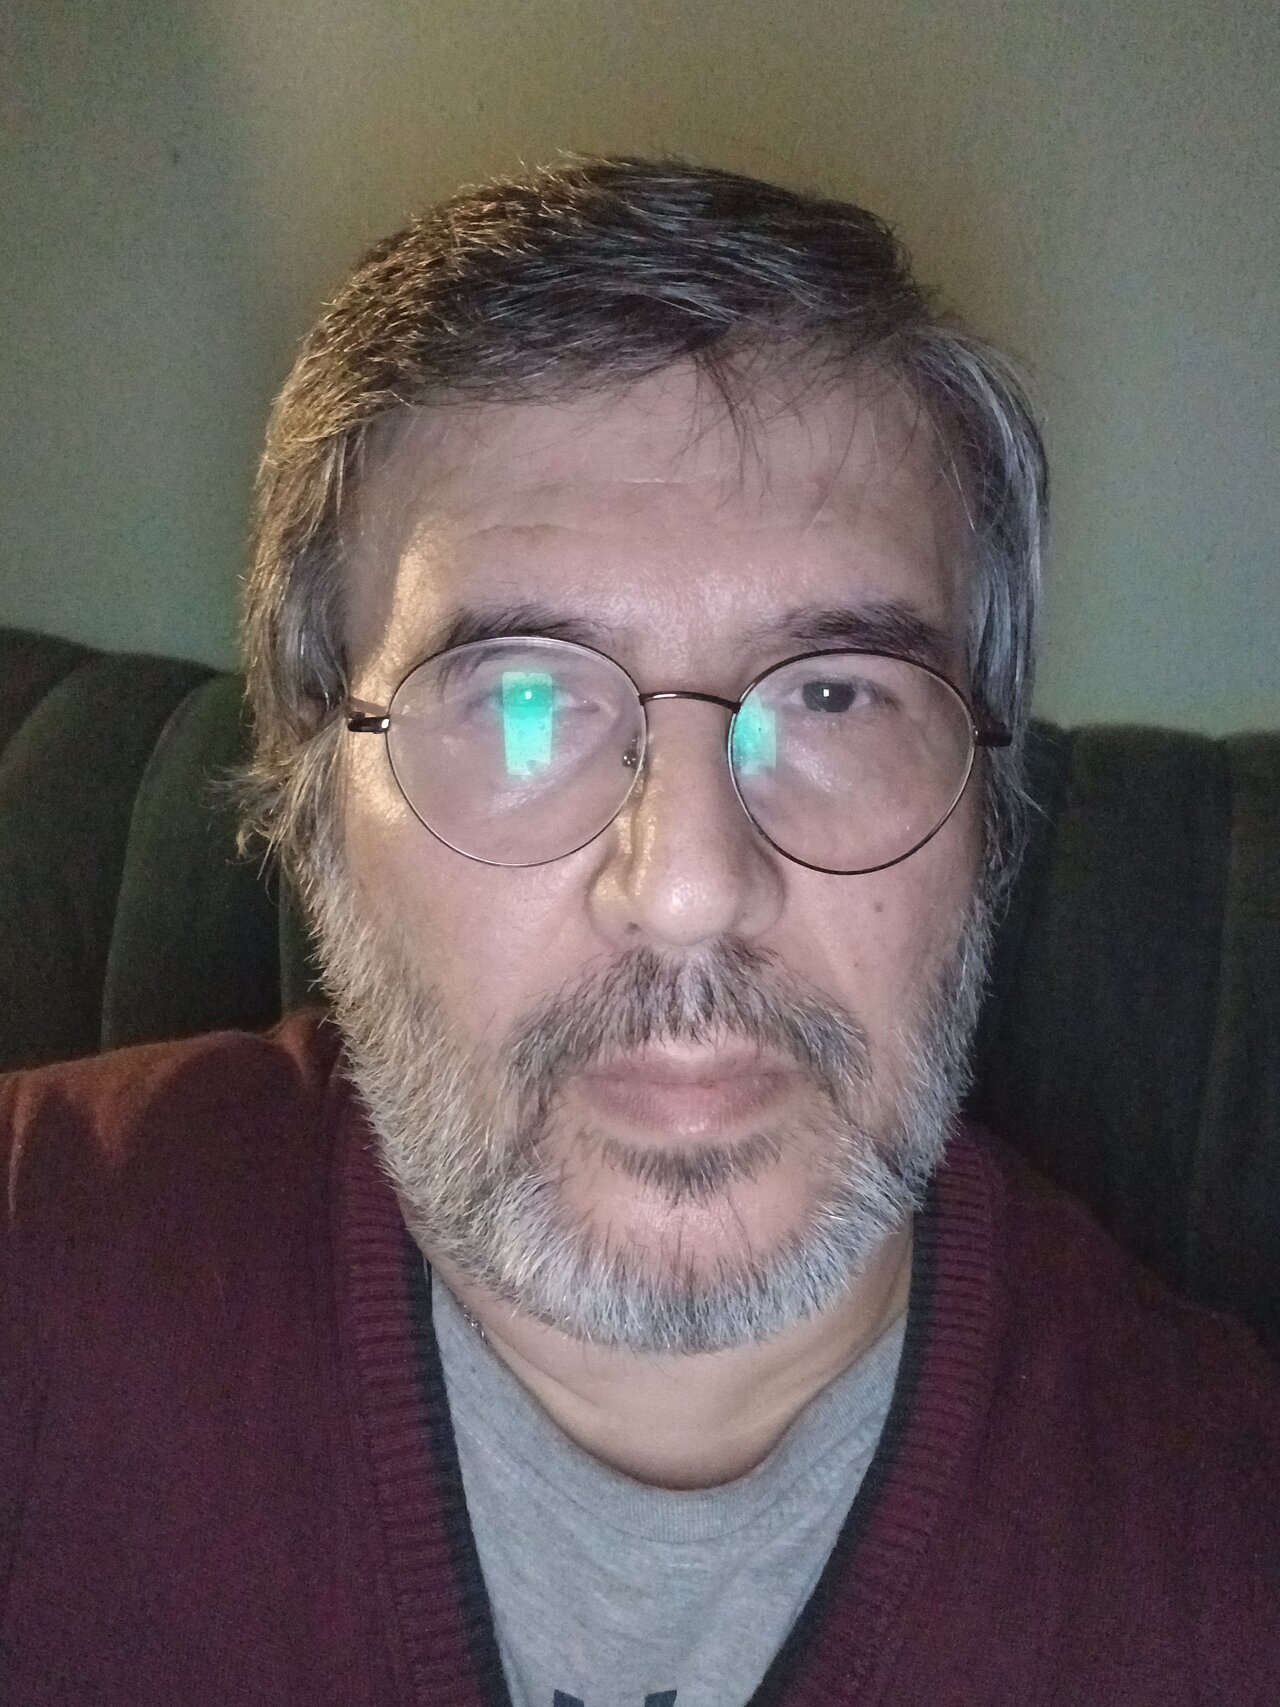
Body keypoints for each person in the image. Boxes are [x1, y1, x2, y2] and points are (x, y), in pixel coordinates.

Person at [1, 157, 1276, 1707]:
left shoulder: (1223, 1554)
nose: (689, 887)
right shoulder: (36, 1270)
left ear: (987, 817)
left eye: (834, 696)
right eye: (522, 702)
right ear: (312, 799)